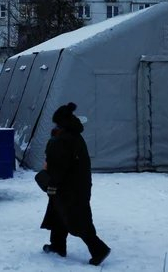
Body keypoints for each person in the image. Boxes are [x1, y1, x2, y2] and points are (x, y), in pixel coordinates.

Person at [40, 102, 111, 266]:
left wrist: (51, 182)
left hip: (70, 188)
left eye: (57, 122)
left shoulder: (64, 140)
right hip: (76, 185)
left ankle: (99, 250)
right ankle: (58, 246)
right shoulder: (72, 136)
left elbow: (59, 166)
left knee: (78, 219)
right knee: (58, 213)